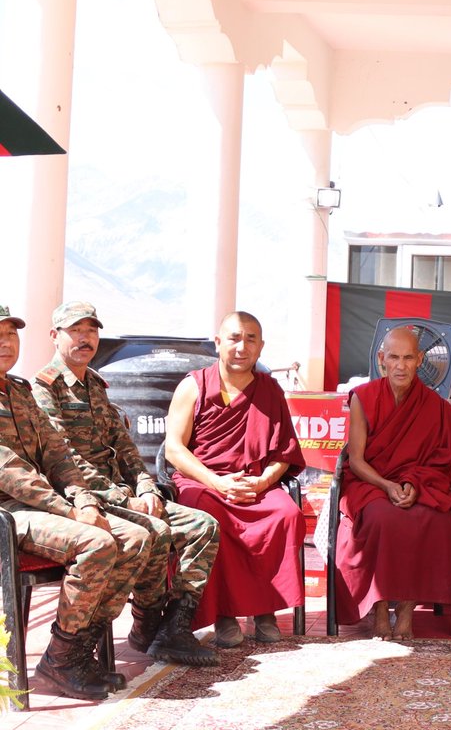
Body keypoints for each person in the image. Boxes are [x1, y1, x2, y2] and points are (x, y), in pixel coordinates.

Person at [34, 300, 220, 668]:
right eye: (76, 330)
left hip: (124, 495)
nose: (85, 338)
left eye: (91, 330)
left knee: (203, 526)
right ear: (55, 336)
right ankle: (145, 626)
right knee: (152, 531)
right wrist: (123, 497)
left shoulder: (96, 384)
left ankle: (172, 629)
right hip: (83, 501)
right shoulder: (45, 390)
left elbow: (125, 449)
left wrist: (147, 488)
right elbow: (64, 461)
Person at [0, 304, 151, 701]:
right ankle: (62, 661)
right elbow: (12, 473)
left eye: (11, 334)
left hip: (45, 507)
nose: (6, 342)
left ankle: (76, 652)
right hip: (10, 512)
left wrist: (83, 498)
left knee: (136, 538)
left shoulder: (18, 391)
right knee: (96, 542)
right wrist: (71, 512)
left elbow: (58, 457)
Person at [165, 311, 305, 648]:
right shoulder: (194, 385)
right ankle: (225, 615)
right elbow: (174, 449)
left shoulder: (270, 389)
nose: (242, 347)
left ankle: (265, 611)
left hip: (254, 483)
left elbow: (283, 453)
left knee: (285, 514)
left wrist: (260, 483)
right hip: (205, 482)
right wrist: (217, 482)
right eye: (234, 338)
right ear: (218, 343)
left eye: (251, 339)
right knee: (209, 517)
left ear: (261, 347)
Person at [334, 326, 451, 640]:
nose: (401, 365)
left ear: (421, 359)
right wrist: (388, 486)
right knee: (381, 519)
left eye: (408, 357)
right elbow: (356, 459)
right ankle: (380, 610)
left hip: (419, 484)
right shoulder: (363, 398)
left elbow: (441, 463)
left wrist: (413, 486)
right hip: (371, 484)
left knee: (434, 519)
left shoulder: (436, 407)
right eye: (394, 357)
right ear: (382, 360)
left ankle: (406, 610)